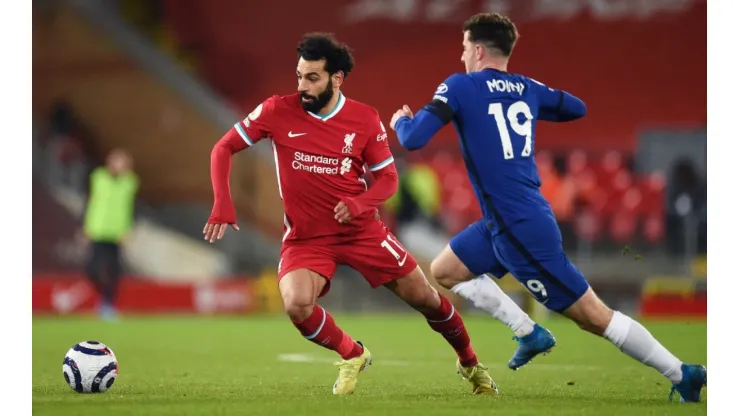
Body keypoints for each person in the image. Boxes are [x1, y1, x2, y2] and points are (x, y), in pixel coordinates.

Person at [390, 13, 706, 402]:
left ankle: (682, 372)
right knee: (445, 270)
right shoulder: (525, 87)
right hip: (503, 222)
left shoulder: (460, 86)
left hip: (520, 228)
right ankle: (528, 331)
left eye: (463, 49)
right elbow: (576, 107)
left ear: (476, 50)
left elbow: (414, 138)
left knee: (595, 317)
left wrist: (400, 121)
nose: (461, 58)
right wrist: (529, 93)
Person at [204, 33, 496, 396]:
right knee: (296, 305)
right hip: (307, 237)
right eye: (299, 76)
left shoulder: (364, 119)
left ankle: (470, 363)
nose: (302, 86)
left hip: (361, 232)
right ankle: (352, 353)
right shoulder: (277, 110)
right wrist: (222, 203)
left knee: (427, 298)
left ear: (336, 78)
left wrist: (360, 204)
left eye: (312, 78)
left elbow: (388, 180)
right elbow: (222, 148)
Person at [82, 149, 138, 320]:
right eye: (117, 161)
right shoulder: (98, 177)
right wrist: (86, 226)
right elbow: (91, 202)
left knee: (113, 270)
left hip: (116, 233)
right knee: (91, 269)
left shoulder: (130, 182)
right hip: (97, 230)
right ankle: (104, 299)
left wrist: (127, 229)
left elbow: (130, 208)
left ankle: (107, 304)